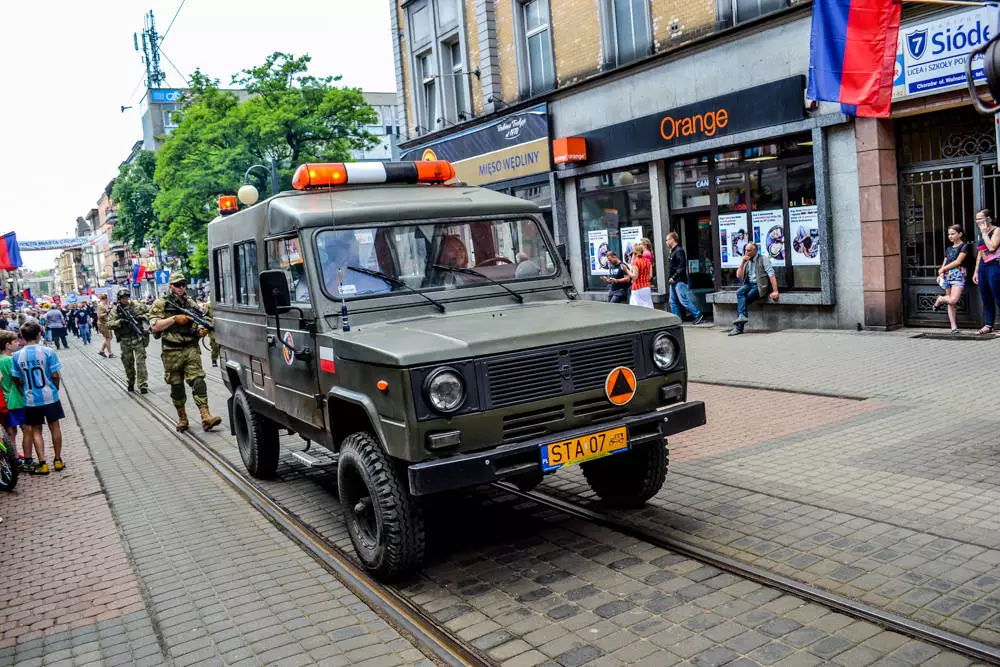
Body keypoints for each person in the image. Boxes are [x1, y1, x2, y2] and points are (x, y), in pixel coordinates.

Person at [148, 273, 221, 432]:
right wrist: (175, 319)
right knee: (177, 386)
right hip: (171, 351)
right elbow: (155, 326)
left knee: (198, 380)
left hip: (190, 347)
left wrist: (201, 330)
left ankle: (205, 416)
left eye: (183, 284)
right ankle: (182, 417)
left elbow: (197, 321)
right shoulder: (161, 303)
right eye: (177, 285)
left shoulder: (190, 302)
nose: (181, 288)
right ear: (170, 286)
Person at [10, 320, 64, 475]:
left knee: (36, 430)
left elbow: (17, 378)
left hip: (31, 398)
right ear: (39, 334)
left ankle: (42, 463)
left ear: (23, 337)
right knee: (55, 426)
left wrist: (23, 391)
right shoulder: (48, 352)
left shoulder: (17, 356)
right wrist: (55, 389)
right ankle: (58, 460)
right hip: (50, 396)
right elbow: (55, 375)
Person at [729, 242, 779, 336]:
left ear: (755, 250)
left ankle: (739, 327)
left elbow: (771, 274)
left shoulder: (763, 259)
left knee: (743, 301)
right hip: (749, 284)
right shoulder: (746, 260)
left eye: (749, 250)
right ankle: (742, 318)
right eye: (745, 250)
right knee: (739, 293)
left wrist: (775, 291)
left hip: (759, 286)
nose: (746, 252)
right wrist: (743, 262)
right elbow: (739, 275)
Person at [106, 289, 151, 393]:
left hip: (137, 338)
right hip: (125, 340)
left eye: (127, 297)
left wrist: (142, 317)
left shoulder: (136, 306)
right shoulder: (115, 310)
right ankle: (130, 382)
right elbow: (109, 324)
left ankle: (143, 385)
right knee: (128, 363)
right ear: (119, 299)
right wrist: (120, 322)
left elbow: (151, 312)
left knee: (141, 362)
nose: (126, 300)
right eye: (123, 298)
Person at [933, 225, 971, 334]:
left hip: (958, 275)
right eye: (949, 234)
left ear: (960, 234)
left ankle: (940, 299)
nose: (950, 236)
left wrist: (943, 269)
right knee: (951, 303)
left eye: (953, 233)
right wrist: (941, 273)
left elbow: (958, 262)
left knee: (953, 299)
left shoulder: (964, 246)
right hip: (947, 276)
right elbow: (945, 262)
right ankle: (953, 327)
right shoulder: (948, 249)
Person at [0, 331, 29, 473]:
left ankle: (14, 456)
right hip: (16, 399)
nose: (18, 343)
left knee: (10, 431)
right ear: (7, 345)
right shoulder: (10, 360)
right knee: (26, 428)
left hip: (4, 401)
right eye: (15, 341)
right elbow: (19, 380)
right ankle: (24, 458)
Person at [666, 232, 705, 324]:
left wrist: (674, 277)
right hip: (674, 280)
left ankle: (697, 314)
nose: (666, 242)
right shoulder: (673, 251)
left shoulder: (679, 250)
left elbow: (681, 266)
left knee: (683, 300)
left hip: (679, 280)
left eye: (667, 240)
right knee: (672, 301)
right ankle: (677, 319)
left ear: (672, 240)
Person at [973, 209, 1000, 335]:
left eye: (980, 218)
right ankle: (989, 324)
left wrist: (984, 234)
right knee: (985, 296)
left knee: (998, 295)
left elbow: (992, 247)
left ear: (988, 218)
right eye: (977, 219)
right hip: (983, 266)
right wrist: (976, 271)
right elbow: (981, 252)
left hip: (994, 265)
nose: (978, 221)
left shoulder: (996, 230)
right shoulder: (981, 233)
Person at [625, 241, 654, 308]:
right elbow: (650, 276)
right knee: (648, 306)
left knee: (636, 307)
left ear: (634, 252)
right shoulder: (647, 261)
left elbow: (634, 277)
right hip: (646, 287)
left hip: (637, 287)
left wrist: (626, 270)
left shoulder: (636, 262)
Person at [97, 294, 115, 358]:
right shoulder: (100, 305)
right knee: (108, 338)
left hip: (107, 323)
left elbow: (108, 311)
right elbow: (99, 316)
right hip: (102, 324)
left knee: (110, 338)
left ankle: (101, 351)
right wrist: (107, 312)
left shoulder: (105, 304)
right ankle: (110, 354)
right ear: (106, 298)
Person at [202, 301, 219, 368]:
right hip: (213, 328)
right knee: (214, 345)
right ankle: (214, 360)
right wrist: (212, 320)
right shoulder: (208, 305)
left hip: (223, 327)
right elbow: (204, 316)